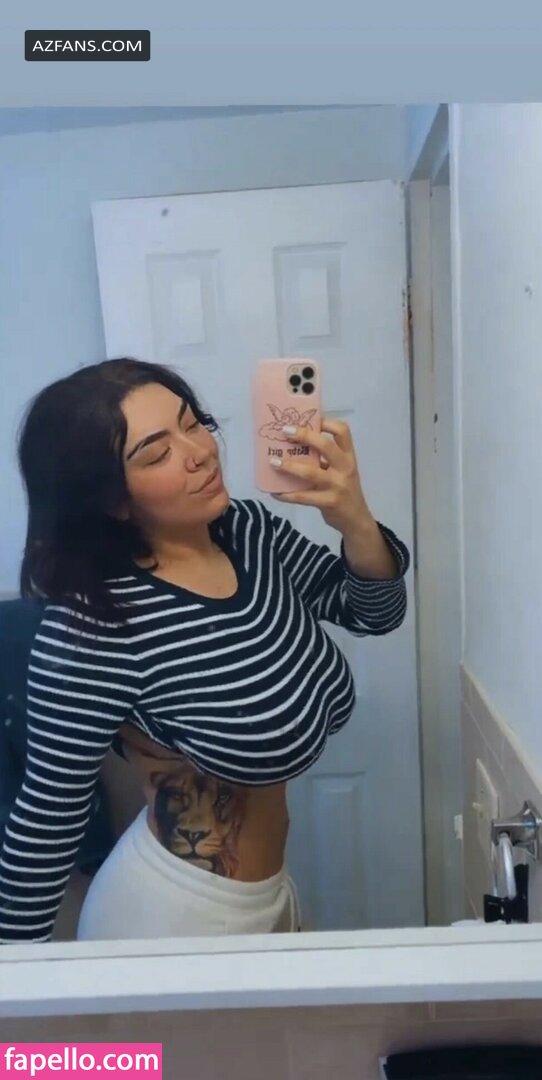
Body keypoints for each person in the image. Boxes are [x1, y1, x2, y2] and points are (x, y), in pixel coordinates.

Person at [0, 357, 410, 943]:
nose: (199, 453)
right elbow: (47, 816)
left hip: (266, 892)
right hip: (170, 916)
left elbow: (374, 613)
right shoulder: (95, 624)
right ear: (112, 500)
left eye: (192, 424)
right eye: (156, 454)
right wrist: (20, 981)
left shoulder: (248, 532)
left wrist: (355, 521)